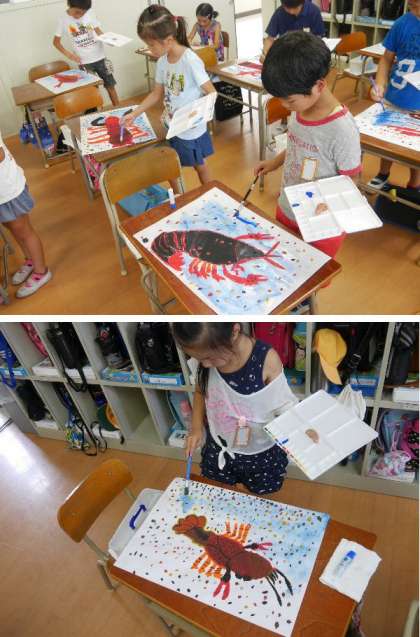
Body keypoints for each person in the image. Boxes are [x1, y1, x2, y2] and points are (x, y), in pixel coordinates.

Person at [256, 31, 362, 258]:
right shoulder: (300, 107)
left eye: (289, 100)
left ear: (319, 86)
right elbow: (298, 144)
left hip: (321, 222)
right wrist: (275, 163)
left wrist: (331, 204)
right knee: (283, 262)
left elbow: (352, 179)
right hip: (288, 206)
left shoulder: (342, 129)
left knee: (313, 272)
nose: (284, 105)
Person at [172, 323, 298, 495]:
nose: (205, 365)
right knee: (218, 491)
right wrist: (196, 427)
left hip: (258, 451)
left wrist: (300, 436)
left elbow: (284, 405)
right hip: (220, 445)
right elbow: (201, 388)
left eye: (210, 358)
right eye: (200, 359)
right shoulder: (204, 352)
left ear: (234, 331)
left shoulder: (266, 360)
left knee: (257, 496)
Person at [125, 5, 216, 188]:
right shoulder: (162, 62)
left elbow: (212, 93)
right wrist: (134, 113)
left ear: (167, 40)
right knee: (169, 167)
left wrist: (194, 116)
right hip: (171, 125)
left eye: (151, 45)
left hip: (190, 130)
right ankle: (179, 198)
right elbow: (156, 94)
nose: (149, 49)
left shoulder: (190, 61)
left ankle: (211, 192)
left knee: (200, 166)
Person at [369, 0, 420, 191]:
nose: (413, 6)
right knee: (388, 140)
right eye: (412, 5)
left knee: (415, 146)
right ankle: (383, 173)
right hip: (396, 95)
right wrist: (380, 83)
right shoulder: (402, 23)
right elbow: (386, 59)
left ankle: (414, 183)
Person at [0, 131, 52, 302]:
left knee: (24, 230)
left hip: (9, 190)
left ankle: (41, 272)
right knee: (11, 227)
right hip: (2, 194)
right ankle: (30, 260)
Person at [53, 0, 119, 107]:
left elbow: (98, 31)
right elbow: (56, 42)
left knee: (110, 85)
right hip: (84, 62)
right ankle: (98, 113)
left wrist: (108, 40)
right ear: (69, 4)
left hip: (100, 58)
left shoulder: (90, 12)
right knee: (92, 91)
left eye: (83, 13)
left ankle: (119, 108)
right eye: (77, 12)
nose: (79, 16)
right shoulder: (63, 19)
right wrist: (70, 55)